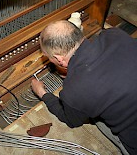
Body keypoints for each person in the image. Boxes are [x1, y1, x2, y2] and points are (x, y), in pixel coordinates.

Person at [31, 20, 137, 155]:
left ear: (59, 59)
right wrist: (77, 72)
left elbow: (71, 120)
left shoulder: (74, 92)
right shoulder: (114, 34)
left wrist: (42, 93)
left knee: (95, 118)